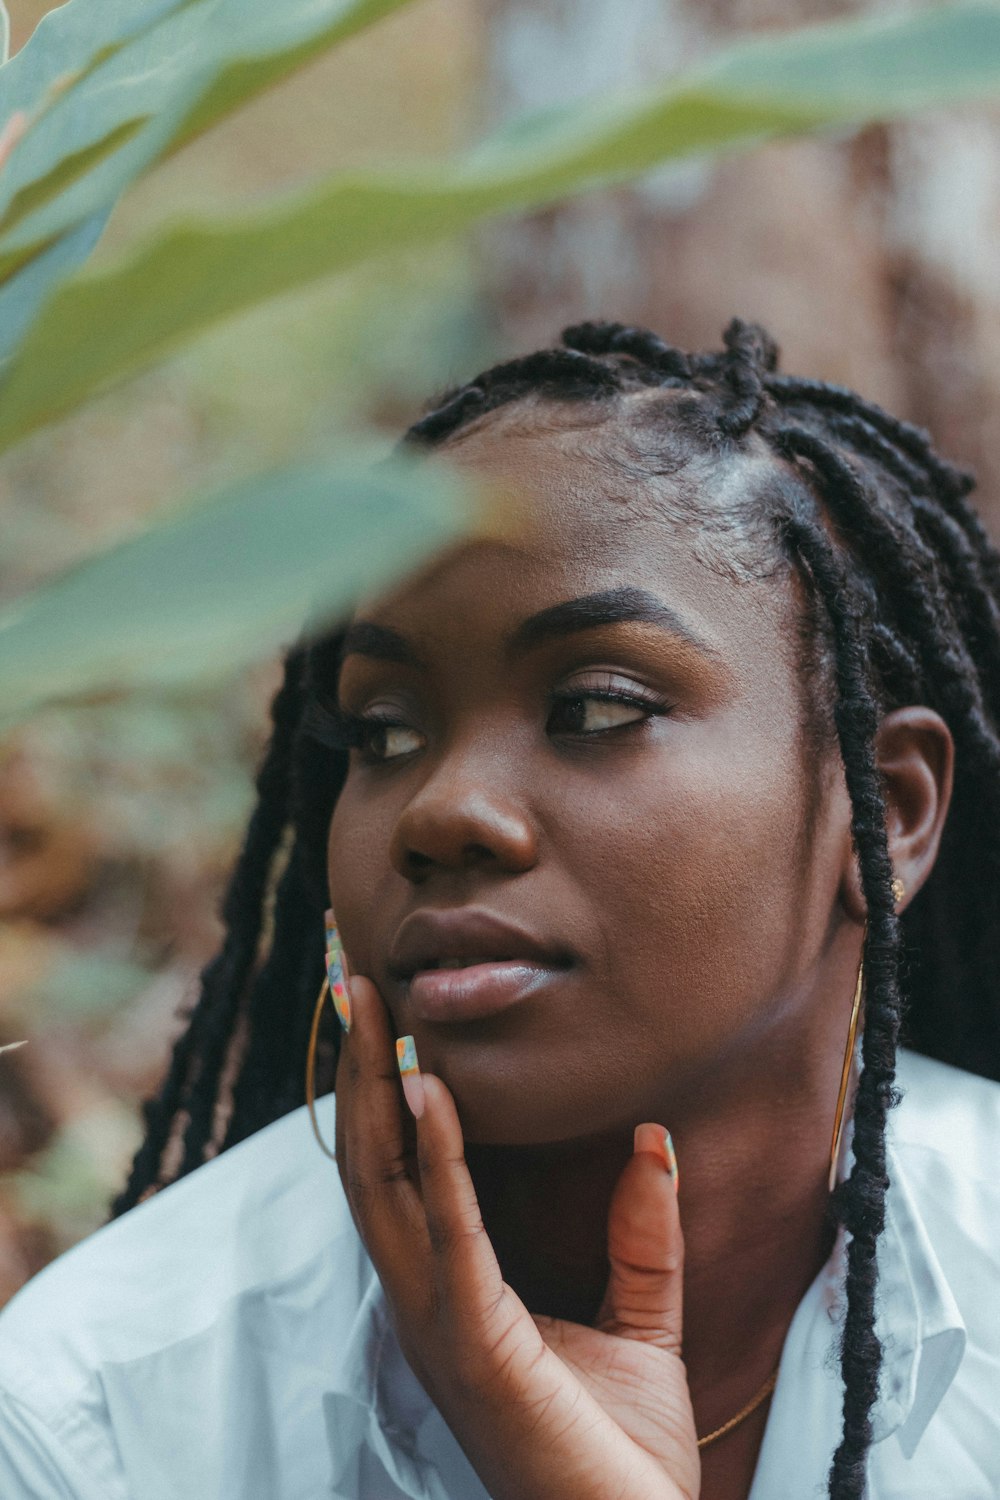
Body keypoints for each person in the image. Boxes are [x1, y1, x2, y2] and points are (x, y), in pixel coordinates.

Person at [0, 319, 997, 1500]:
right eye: (385, 732)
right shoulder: (95, 1419)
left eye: (596, 707)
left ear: (881, 813)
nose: (443, 811)